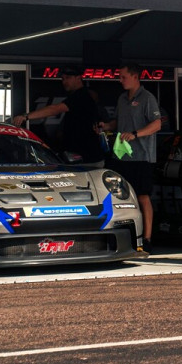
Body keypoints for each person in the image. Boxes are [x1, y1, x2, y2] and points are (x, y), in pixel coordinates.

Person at [98, 63, 161, 254]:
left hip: (142, 157)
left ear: (135, 77)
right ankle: (125, 235)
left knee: (143, 196)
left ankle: (148, 238)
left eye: (123, 76)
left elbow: (157, 124)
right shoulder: (122, 99)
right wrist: (106, 126)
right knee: (121, 196)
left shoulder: (147, 98)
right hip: (121, 156)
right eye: (119, 76)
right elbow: (118, 121)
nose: (120, 80)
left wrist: (136, 134)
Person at [12, 66, 104, 166]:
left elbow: (55, 109)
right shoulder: (77, 96)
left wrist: (26, 116)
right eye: (63, 79)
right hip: (79, 157)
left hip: (87, 159)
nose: (64, 81)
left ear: (78, 78)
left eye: (68, 78)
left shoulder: (81, 96)